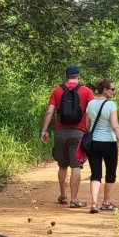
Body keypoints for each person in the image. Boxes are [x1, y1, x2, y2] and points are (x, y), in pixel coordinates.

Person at [39, 65, 94, 208]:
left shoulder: (57, 91)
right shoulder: (86, 91)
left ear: (66, 75)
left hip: (60, 133)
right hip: (78, 133)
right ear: (78, 76)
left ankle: (63, 195)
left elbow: (49, 111)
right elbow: (92, 112)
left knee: (62, 165)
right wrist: (90, 130)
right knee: (76, 166)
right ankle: (74, 199)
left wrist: (44, 130)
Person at [83, 78, 119, 214]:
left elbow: (87, 126)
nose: (114, 92)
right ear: (105, 90)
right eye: (112, 89)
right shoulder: (111, 105)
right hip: (109, 143)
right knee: (110, 173)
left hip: (94, 144)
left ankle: (94, 203)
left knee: (95, 173)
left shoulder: (90, 104)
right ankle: (106, 202)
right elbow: (115, 126)